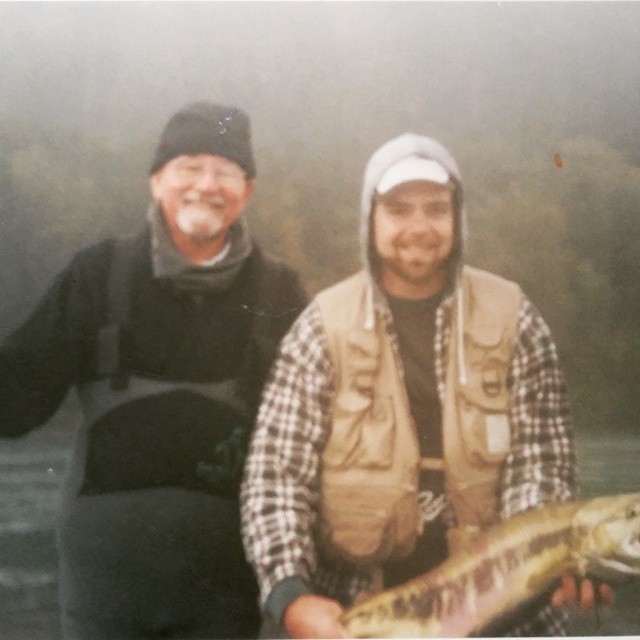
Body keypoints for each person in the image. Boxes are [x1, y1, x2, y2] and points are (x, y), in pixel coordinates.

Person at [240, 133, 612, 638]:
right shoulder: (319, 329)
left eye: (436, 209)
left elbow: (542, 468)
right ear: (370, 220)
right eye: (398, 209)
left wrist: (558, 564)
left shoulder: (517, 320)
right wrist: (290, 595)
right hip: (357, 614)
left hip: (505, 619)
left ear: (457, 220)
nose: (419, 227)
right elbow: (276, 477)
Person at [0, 101, 307, 639]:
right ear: (157, 180)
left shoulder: (280, 292)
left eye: (225, 170)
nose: (206, 185)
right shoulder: (96, 275)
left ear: (248, 190)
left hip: (226, 595)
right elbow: (15, 400)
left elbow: (319, 439)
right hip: (103, 593)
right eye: (189, 166)